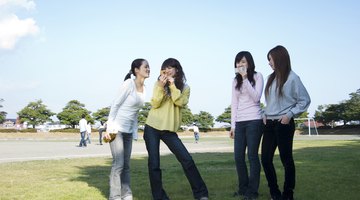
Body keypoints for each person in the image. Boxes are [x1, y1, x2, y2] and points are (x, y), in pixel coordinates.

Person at [143, 58, 209, 200]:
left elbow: (180, 102)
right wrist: (161, 86)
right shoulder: (158, 84)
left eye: (170, 68)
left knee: (187, 160)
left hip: (169, 131)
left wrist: (172, 85)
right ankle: (159, 197)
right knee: (154, 164)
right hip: (152, 127)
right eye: (165, 68)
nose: (167, 70)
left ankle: (201, 194)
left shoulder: (185, 88)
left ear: (176, 70)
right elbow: (154, 103)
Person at [261, 45, 311, 200]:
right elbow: (270, 102)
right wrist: (264, 113)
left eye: (270, 59)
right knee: (265, 159)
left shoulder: (293, 78)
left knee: (286, 159)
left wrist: (289, 115)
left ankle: (288, 194)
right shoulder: (270, 78)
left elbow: (304, 100)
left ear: (279, 58)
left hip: (284, 124)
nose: (269, 62)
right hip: (269, 124)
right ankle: (274, 193)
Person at [104, 58, 150, 200]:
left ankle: (127, 194)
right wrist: (109, 127)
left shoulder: (144, 89)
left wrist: (134, 132)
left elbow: (135, 112)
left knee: (127, 165)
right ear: (136, 70)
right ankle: (115, 196)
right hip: (116, 130)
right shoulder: (128, 84)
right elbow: (115, 105)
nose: (148, 69)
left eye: (149, 67)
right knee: (119, 164)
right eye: (145, 67)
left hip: (128, 131)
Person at [229, 51, 264, 200]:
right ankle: (243, 189)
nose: (240, 65)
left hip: (254, 121)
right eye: (238, 62)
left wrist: (245, 79)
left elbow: (256, 98)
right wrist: (233, 125)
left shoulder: (258, 76)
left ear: (249, 62)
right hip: (240, 122)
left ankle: (252, 192)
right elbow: (234, 103)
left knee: (252, 156)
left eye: (243, 62)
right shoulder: (234, 81)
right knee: (238, 157)